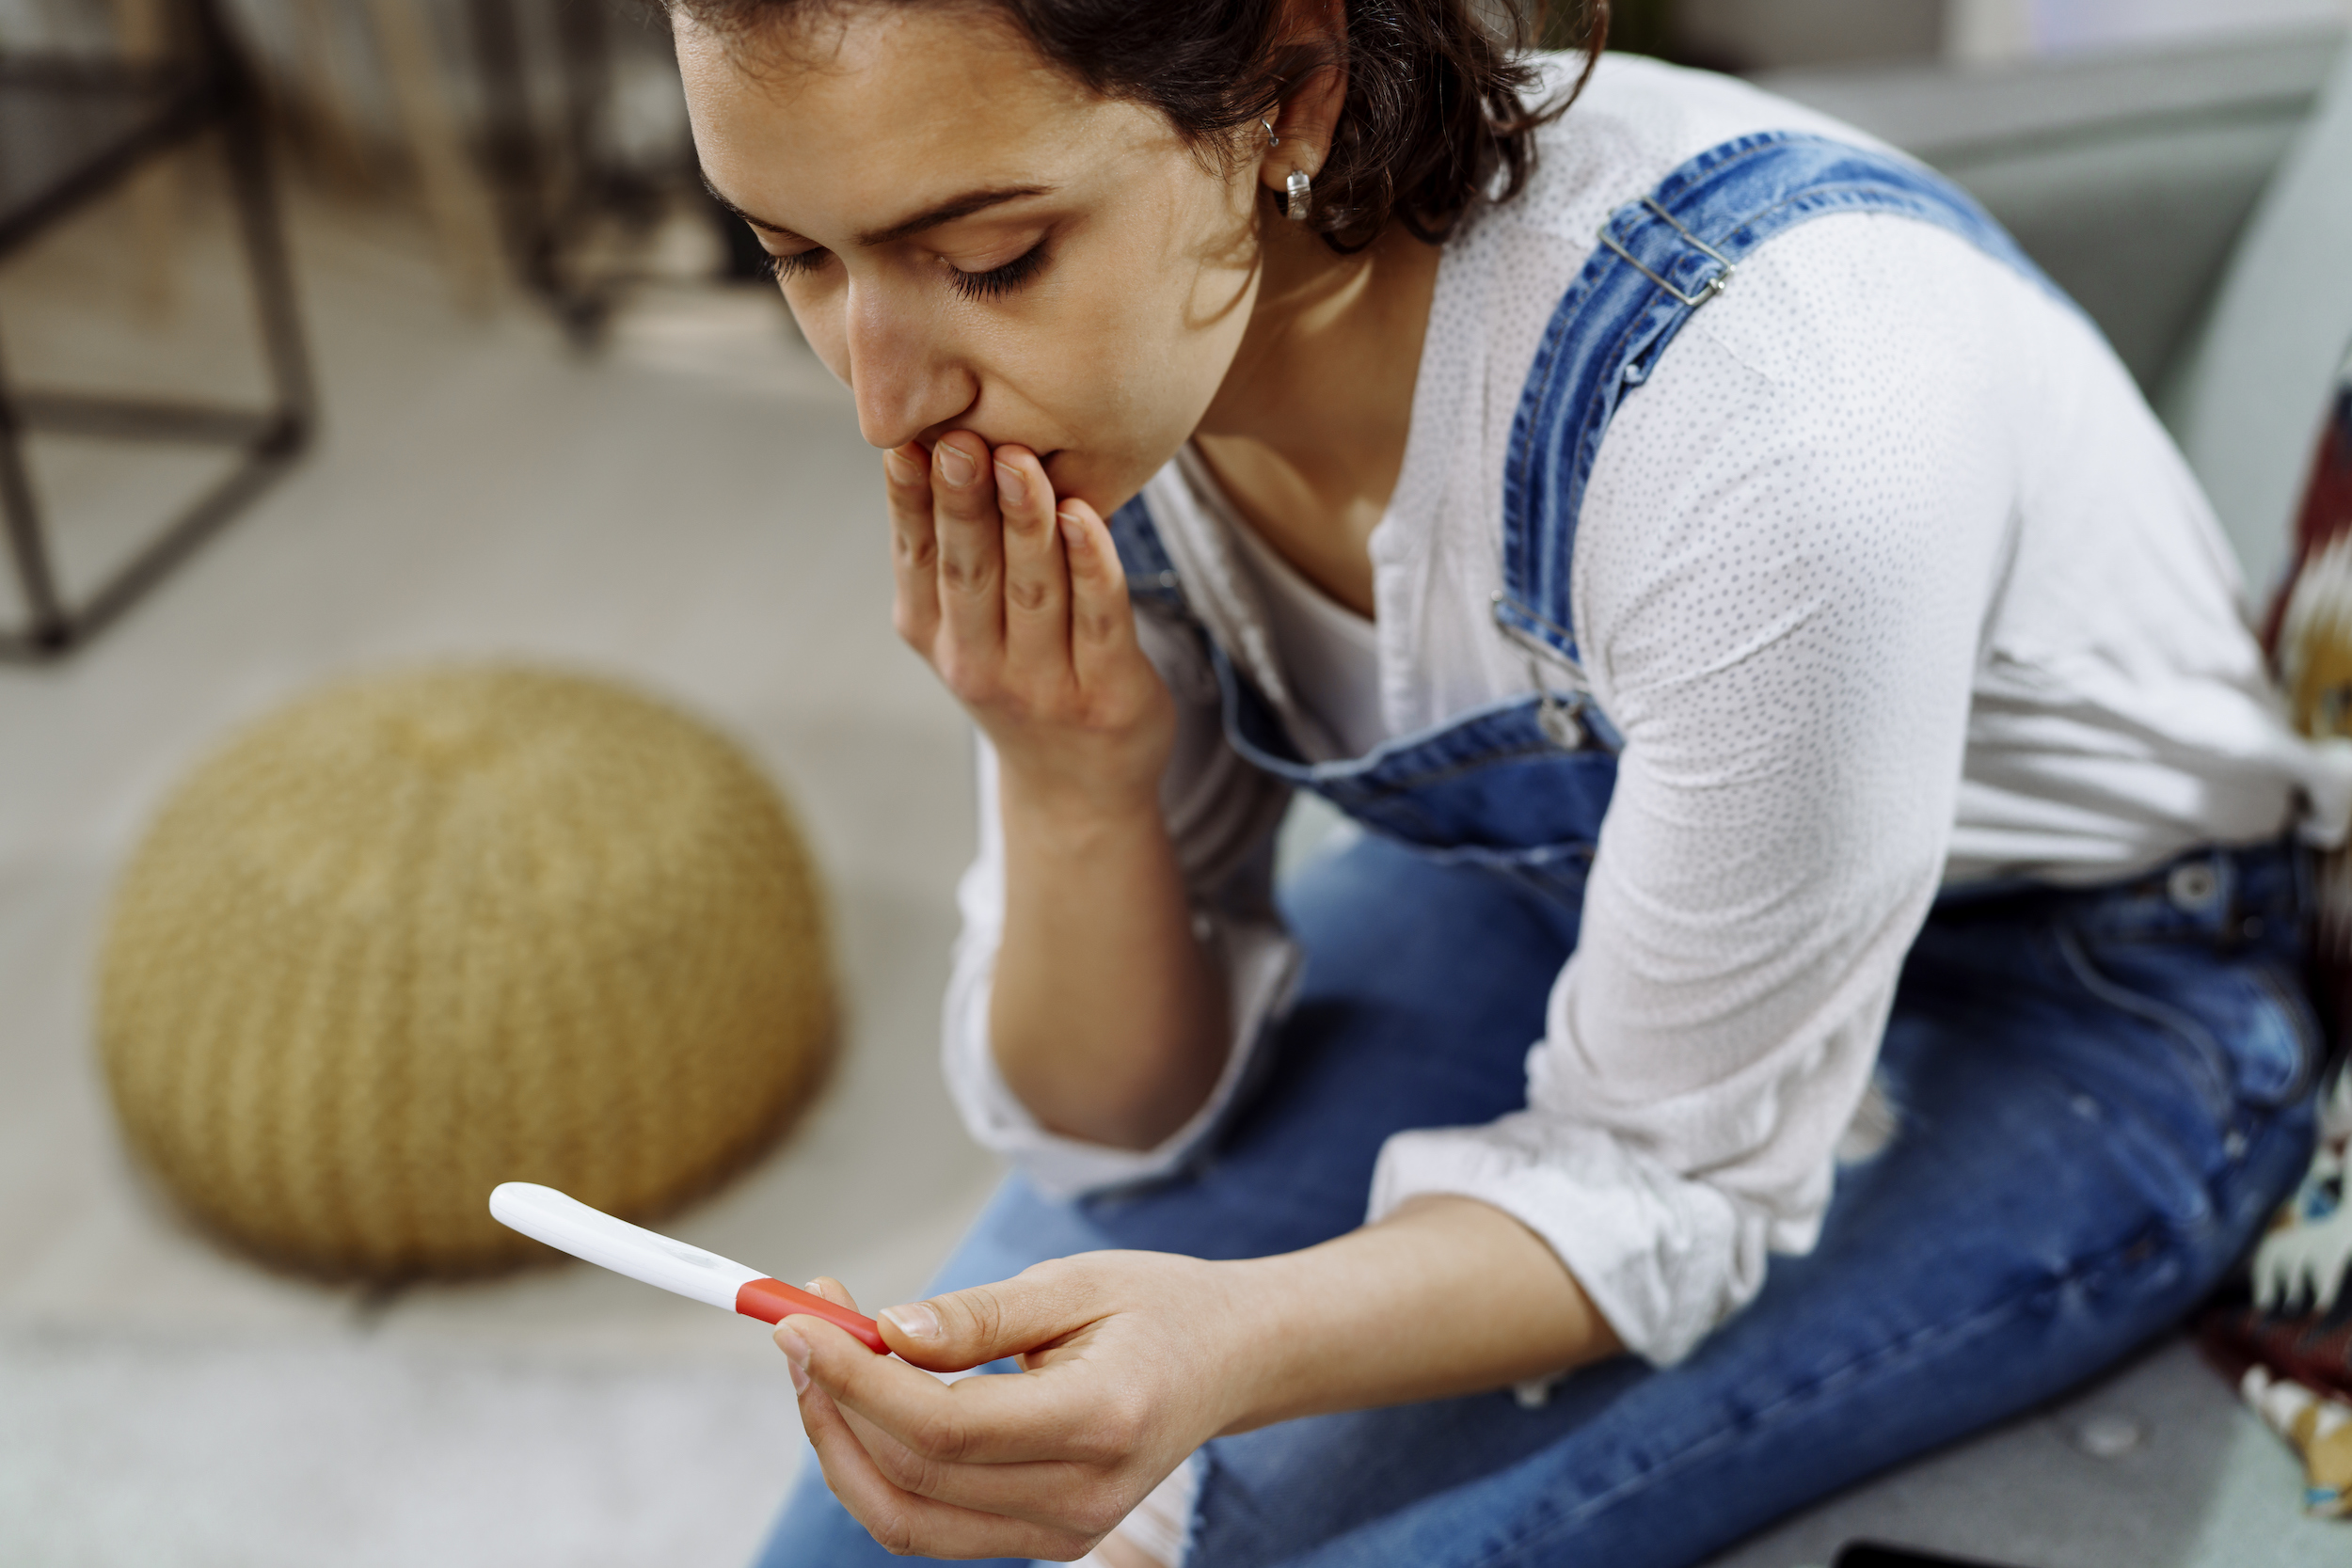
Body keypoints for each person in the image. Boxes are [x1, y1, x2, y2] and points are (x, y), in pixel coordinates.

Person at [672, 2, 2343, 1563]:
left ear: (1293, 91)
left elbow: (1662, 1182)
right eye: (795, 258)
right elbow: (1117, 1120)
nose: (885, 396)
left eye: (989, 259)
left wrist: (1227, 1356)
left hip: (2076, 996)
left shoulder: (1772, 441)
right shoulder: (1105, 403)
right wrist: (1067, 778)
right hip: (1557, 891)